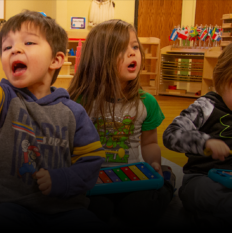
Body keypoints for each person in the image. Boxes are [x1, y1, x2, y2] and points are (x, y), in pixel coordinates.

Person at [0, 10, 107, 229]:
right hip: (11, 206)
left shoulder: (74, 112)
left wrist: (63, 179)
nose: (15, 49)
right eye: (7, 47)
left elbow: (91, 162)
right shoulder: (5, 100)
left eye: (28, 42)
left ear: (56, 60)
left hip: (65, 208)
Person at [68, 19, 175, 228]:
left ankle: (169, 182)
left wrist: (154, 164)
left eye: (135, 46)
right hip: (93, 178)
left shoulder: (147, 102)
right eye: (121, 49)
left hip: (132, 176)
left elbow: (150, 143)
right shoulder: (80, 101)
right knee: (94, 210)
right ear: (99, 59)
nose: (133, 52)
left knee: (142, 210)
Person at [163, 43, 232, 227]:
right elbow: (171, 134)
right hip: (201, 179)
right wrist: (205, 142)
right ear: (226, 80)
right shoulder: (206, 106)